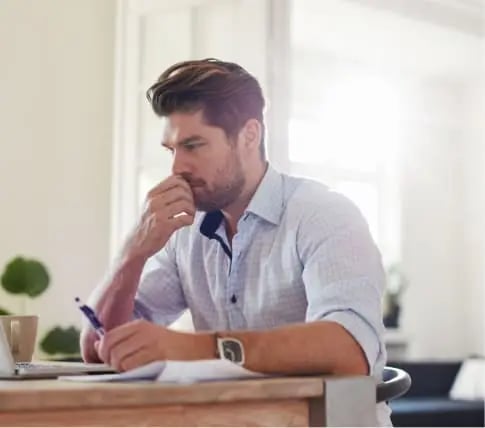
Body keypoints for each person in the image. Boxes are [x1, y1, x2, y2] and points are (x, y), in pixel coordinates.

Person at [81, 58, 390, 425]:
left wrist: (195, 349)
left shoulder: (324, 214)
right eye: (172, 150)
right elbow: (99, 346)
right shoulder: (187, 235)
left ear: (249, 135)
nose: (177, 167)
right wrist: (133, 252)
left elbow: (349, 348)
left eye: (194, 145)